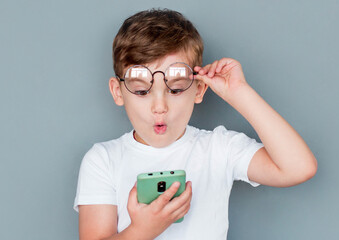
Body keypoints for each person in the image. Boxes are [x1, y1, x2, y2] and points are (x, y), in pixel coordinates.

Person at [73, 8, 317, 240]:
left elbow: (299, 168)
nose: (160, 107)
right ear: (118, 92)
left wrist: (239, 92)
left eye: (176, 89)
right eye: (141, 91)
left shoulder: (219, 148)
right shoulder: (103, 160)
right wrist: (142, 230)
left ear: (199, 89)